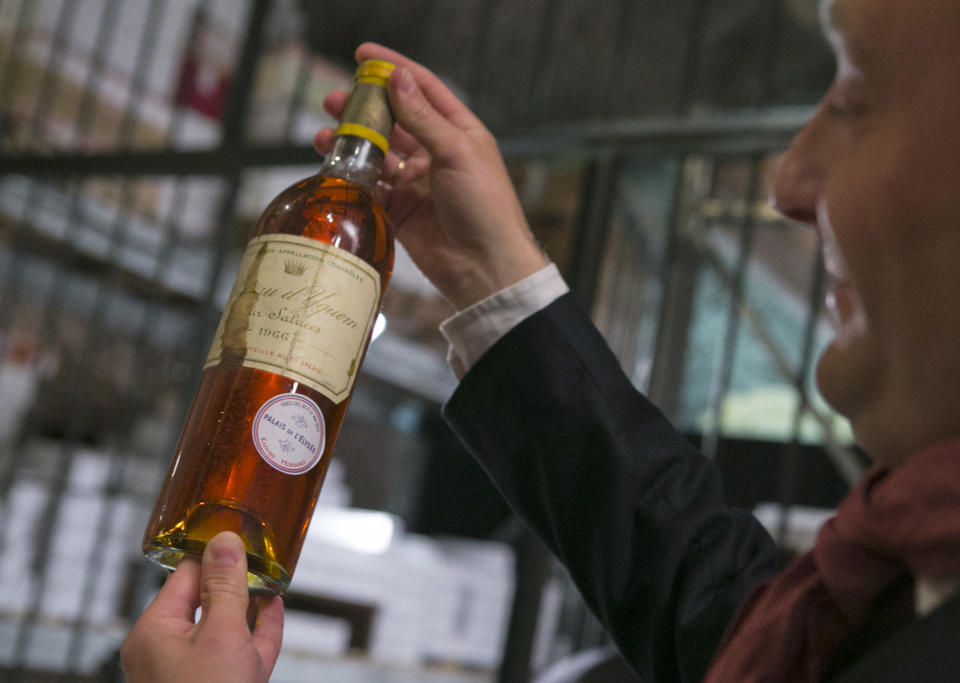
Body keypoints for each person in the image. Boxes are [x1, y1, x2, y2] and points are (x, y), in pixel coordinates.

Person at [121, 0, 960, 680]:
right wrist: (496, 277)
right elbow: (720, 609)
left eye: (851, 101)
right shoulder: (890, 579)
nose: (789, 184)